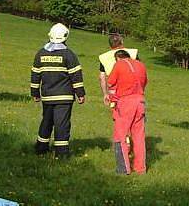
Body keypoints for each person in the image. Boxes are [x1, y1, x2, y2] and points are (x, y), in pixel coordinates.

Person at [30, 23, 85, 158]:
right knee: (62, 124)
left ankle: (41, 148)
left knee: (46, 121)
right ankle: (61, 153)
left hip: (47, 97)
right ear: (65, 37)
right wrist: (81, 94)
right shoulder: (69, 55)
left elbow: (35, 75)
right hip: (64, 97)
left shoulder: (41, 53)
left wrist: (35, 93)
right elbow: (76, 76)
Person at [106, 49, 148, 175]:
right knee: (139, 137)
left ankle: (123, 169)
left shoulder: (119, 64)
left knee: (120, 136)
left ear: (117, 58)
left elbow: (110, 83)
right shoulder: (141, 65)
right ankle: (140, 169)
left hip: (125, 103)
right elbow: (145, 82)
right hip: (140, 102)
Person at [98, 33, 138, 106]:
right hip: (133, 92)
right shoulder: (133, 53)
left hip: (114, 91)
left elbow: (102, 77)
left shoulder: (103, 57)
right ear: (122, 42)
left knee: (118, 114)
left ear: (110, 44)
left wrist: (105, 94)